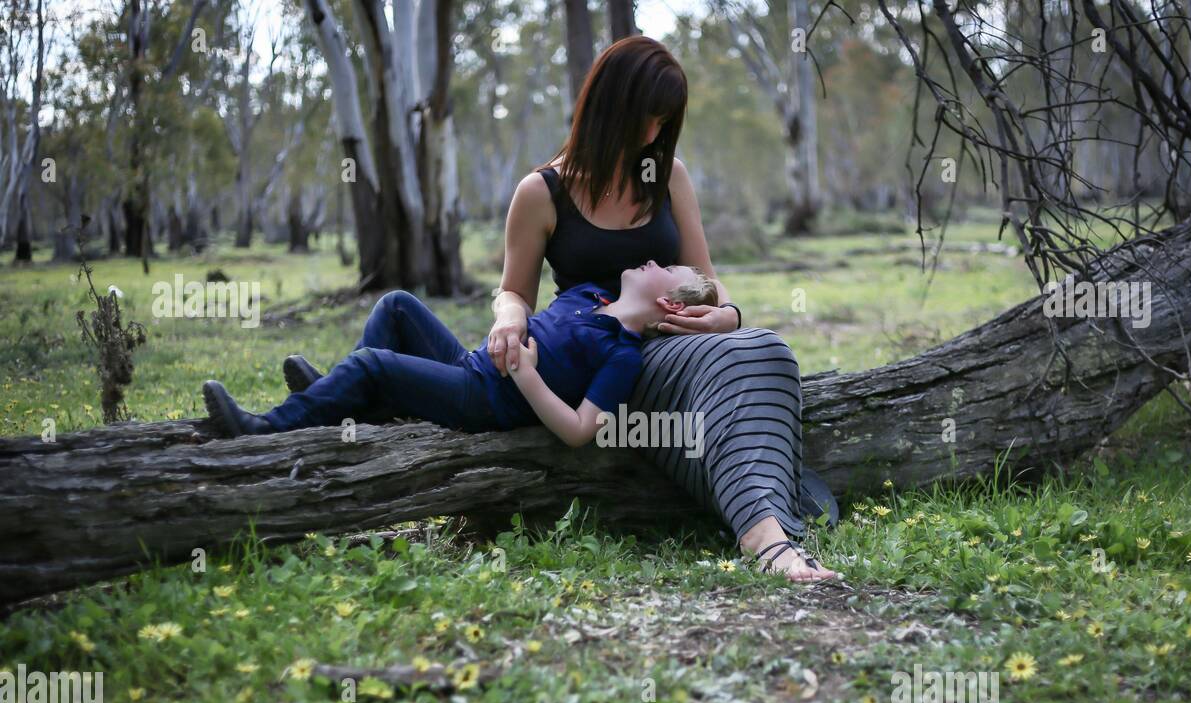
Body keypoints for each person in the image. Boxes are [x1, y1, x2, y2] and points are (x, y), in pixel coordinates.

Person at [488, 34, 837, 581]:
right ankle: (768, 539)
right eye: (645, 117)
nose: (653, 134)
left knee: (768, 349)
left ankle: (762, 516)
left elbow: (708, 283)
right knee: (732, 365)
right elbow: (514, 290)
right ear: (608, 105)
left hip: (684, 347)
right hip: (607, 359)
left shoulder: (668, 176)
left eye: (664, 121)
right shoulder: (542, 191)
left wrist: (729, 316)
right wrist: (510, 314)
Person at [201, 262, 718, 448]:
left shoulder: (623, 353)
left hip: (486, 400)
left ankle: (262, 430)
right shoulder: (589, 294)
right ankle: (334, 395)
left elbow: (581, 431)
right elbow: (515, 302)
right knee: (397, 305)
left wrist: (527, 376)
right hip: (469, 363)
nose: (652, 259)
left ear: (668, 301)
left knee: (370, 365)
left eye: (664, 267)